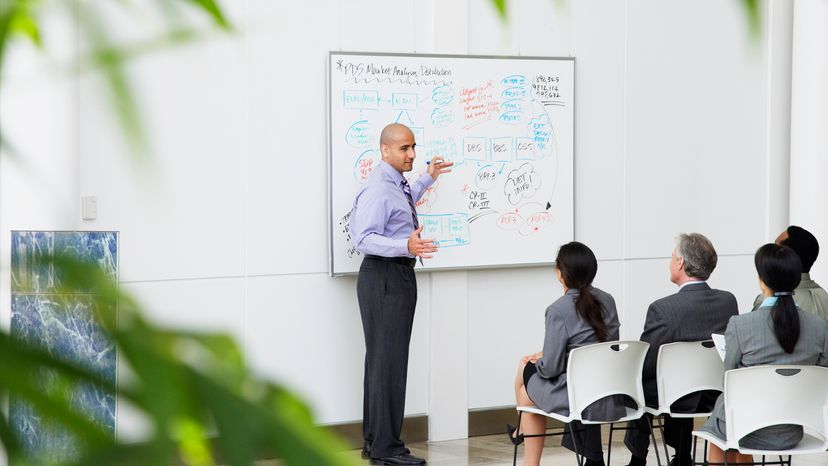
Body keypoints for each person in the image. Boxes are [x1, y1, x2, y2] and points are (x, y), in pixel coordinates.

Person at [349, 123, 453, 466]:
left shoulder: (395, 183)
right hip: (384, 277)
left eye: (413, 147)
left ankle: (374, 441)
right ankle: (387, 450)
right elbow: (362, 238)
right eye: (405, 149)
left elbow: (403, 201)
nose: (412, 154)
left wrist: (429, 177)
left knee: (382, 362)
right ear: (385, 150)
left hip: (392, 277)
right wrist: (403, 245)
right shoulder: (379, 189)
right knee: (388, 364)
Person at [699, 243, 828, 464]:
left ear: (762, 281)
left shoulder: (741, 325)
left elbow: (729, 379)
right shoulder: (819, 327)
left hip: (747, 427)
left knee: (722, 422)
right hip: (791, 432)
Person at [624, 233, 738, 466]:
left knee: (641, 381)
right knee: (680, 377)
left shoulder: (663, 309)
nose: (669, 261)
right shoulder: (728, 301)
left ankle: (638, 458)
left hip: (675, 396)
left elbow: (647, 361)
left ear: (681, 263)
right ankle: (682, 455)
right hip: (715, 394)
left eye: (672, 256)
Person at [512, 241, 621, 466]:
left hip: (577, 393)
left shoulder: (558, 309)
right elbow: (608, 346)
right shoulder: (608, 300)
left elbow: (551, 368)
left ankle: (524, 444)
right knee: (526, 379)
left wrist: (542, 359)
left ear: (560, 274)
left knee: (525, 375)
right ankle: (521, 435)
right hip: (608, 390)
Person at [752, 225, 828, 321]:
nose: (770, 253)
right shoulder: (824, 296)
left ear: (787, 257)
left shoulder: (768, 300)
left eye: (775, 249)